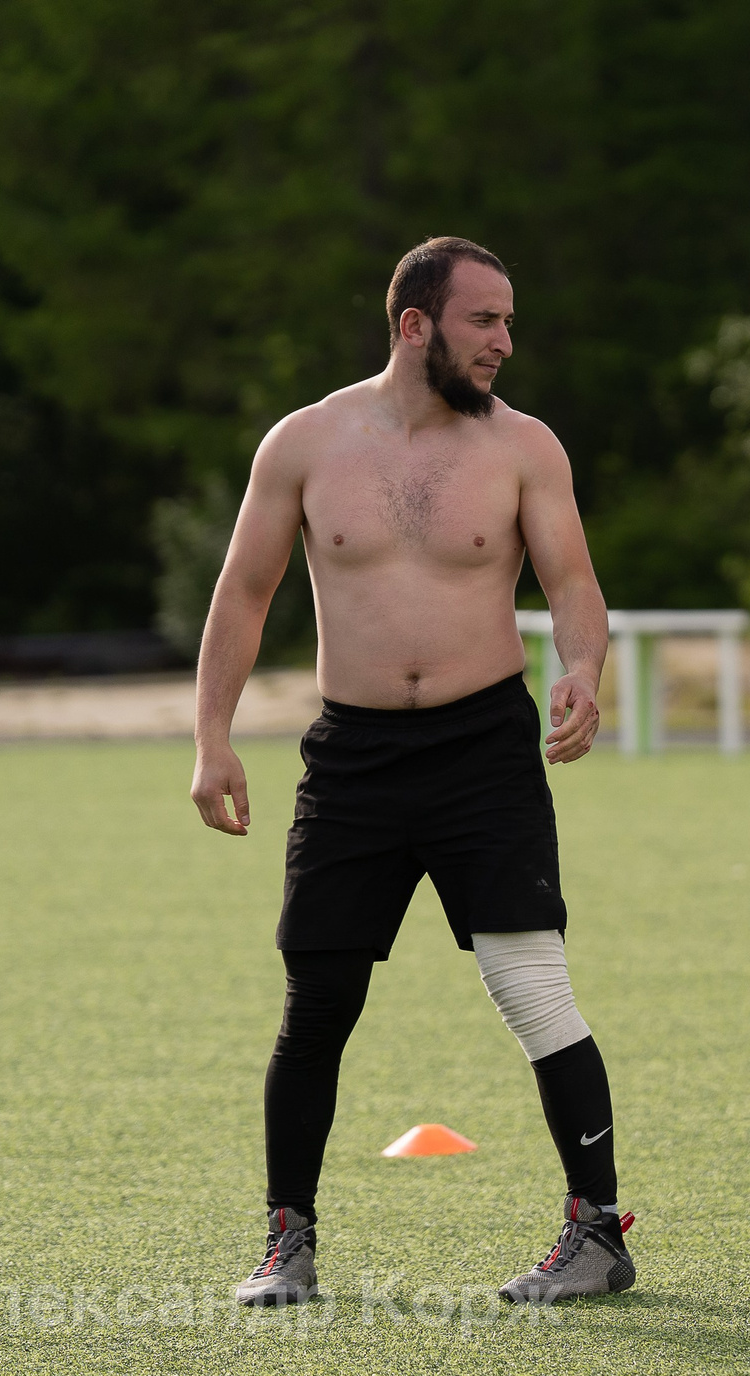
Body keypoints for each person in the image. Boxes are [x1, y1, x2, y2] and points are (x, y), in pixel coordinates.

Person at [188, 236, 635, 1306]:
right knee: (319, 1000)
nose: (505, 342)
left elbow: (572, 579)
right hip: (355, 758)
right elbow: (242, 593)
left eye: (510, 321)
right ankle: (286, 1242)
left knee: (532, 987)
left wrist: (581, 668)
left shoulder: (524, 447)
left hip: (486, 749)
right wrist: (211, 736)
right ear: (414, 324)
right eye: (485, 320)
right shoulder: (303, 444)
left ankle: (598, 1235)